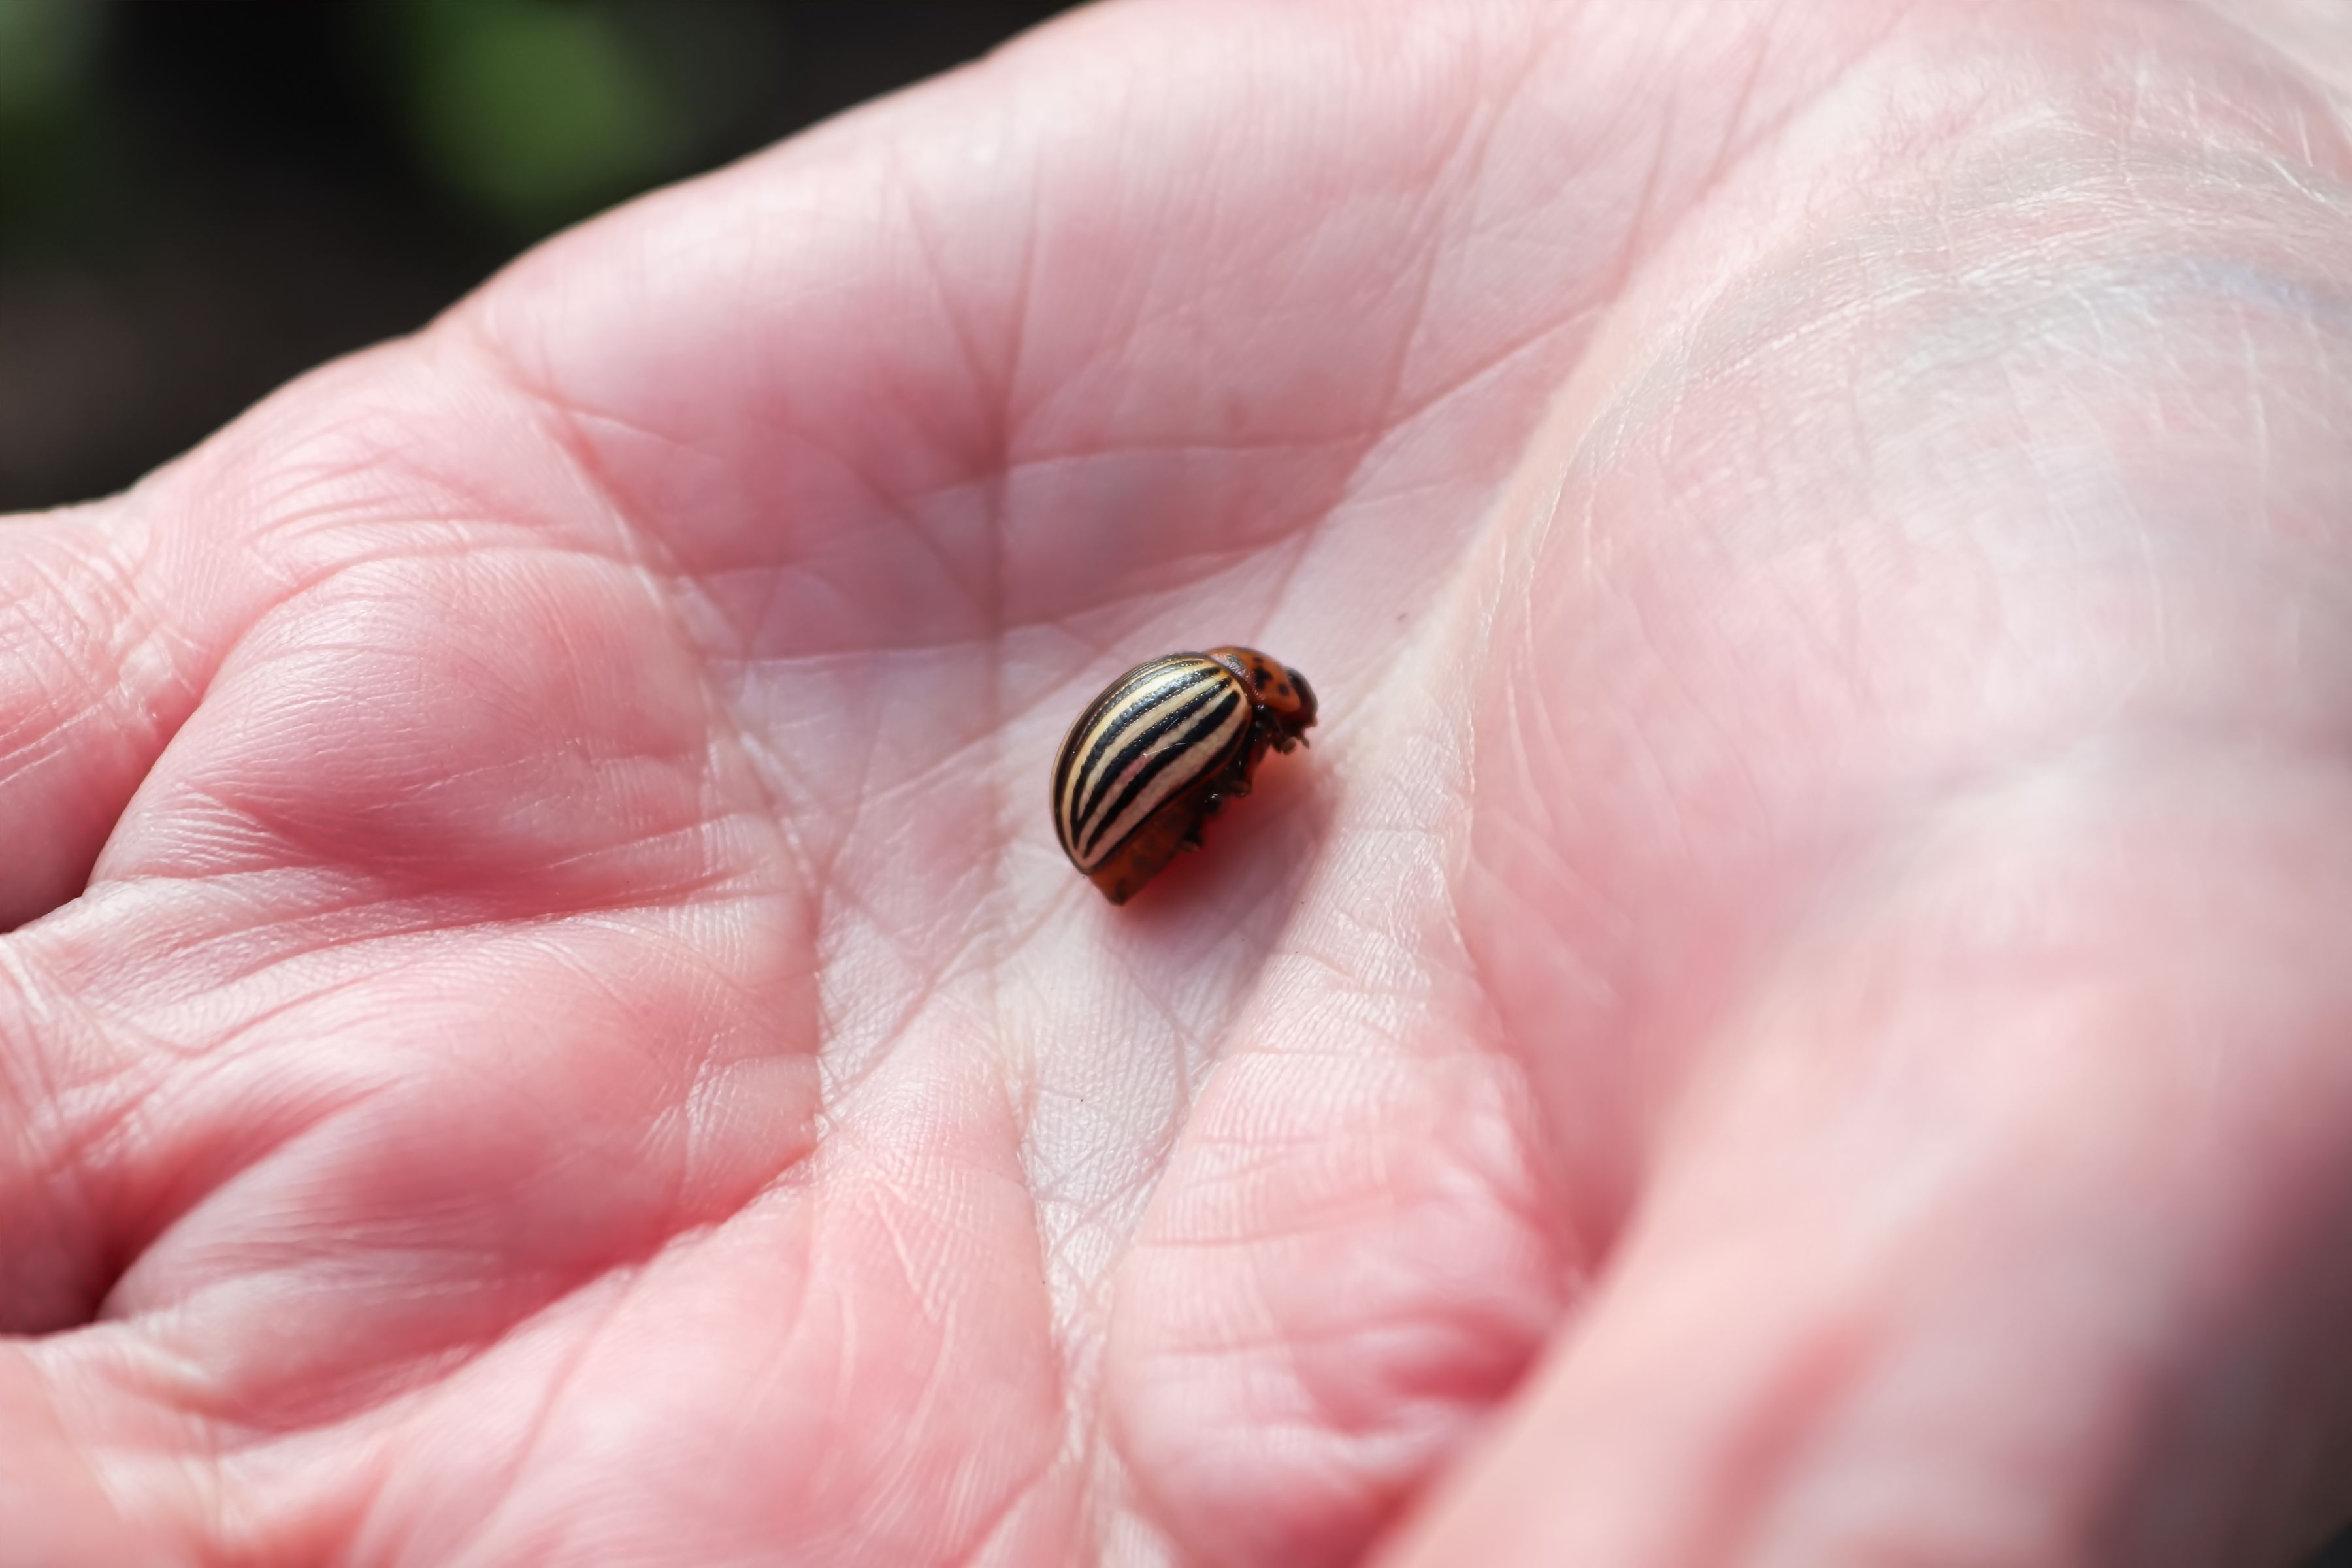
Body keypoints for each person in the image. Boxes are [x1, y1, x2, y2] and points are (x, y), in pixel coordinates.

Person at [3, 0, 2349, 1561]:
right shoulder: (1220, 734)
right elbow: (1200, 794)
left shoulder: (1234, 730)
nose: (1288, 755)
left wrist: (2191, 91)